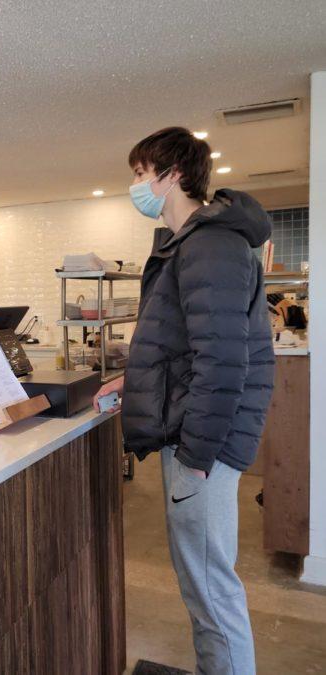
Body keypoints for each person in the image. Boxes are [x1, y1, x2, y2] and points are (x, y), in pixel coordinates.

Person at [93, 127, 274, 674]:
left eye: (140, 173)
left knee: (211, 586)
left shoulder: (208, 244)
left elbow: (222, 365)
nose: (136, 185)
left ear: (172, 176)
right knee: (201, 580)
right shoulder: (191, 245)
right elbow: (185, 345)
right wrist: (132, 380)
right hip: (197, 437)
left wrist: (195, 459)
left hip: (204, 445)